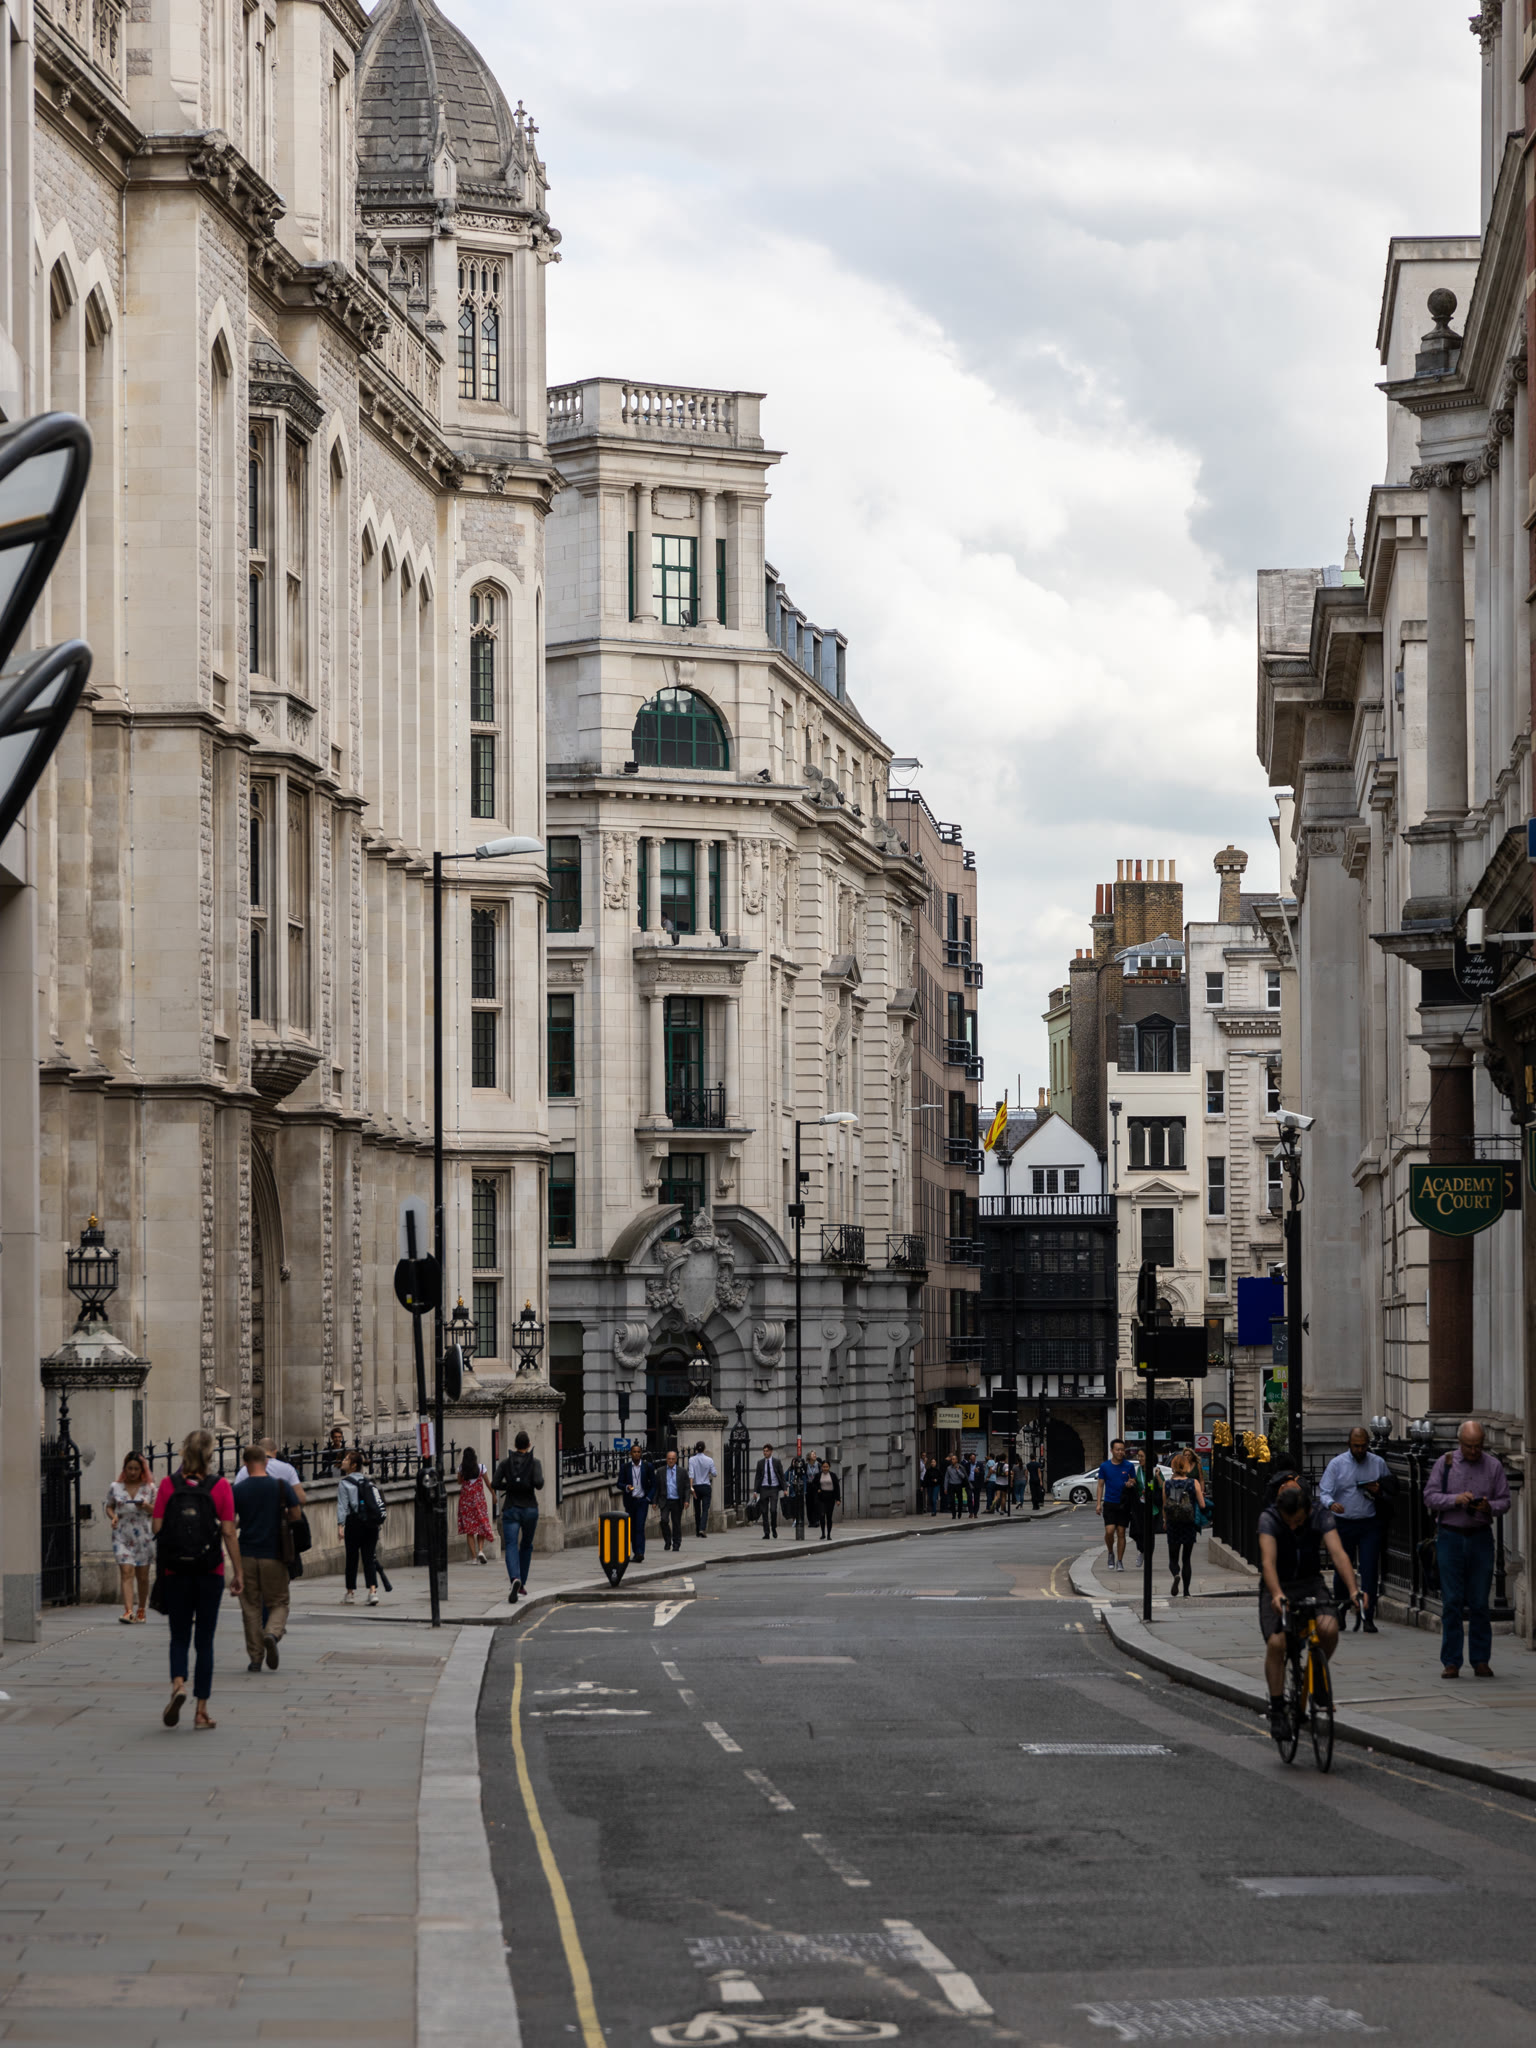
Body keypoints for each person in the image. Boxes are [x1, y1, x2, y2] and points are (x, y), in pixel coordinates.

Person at [1258, 1473, 1362, 1741]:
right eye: (1288, 1522)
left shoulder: (1320, 1516)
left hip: (1310, 1584)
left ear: (1307, 1511)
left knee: (1329, 1629)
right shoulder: (1269, 1519)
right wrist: (1277, 1594)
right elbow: (1268, 1562)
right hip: (1278, 1586)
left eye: (1298, 1521)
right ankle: (1278, 1709)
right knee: (1277, 1643)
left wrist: (1353, 1590)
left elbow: (1339, 1554)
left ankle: (1317, 1679)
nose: (1293, 1527)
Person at [151, 1429, 241, 1732]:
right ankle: (201, 1711)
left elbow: (157, 1527)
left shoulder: (168, 1485)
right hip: (209, 1572)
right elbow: (228, 1532)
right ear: (210, 1455)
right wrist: (238, 1572)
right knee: (205, 1641)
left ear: (183, 1452)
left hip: (175, 1571)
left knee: (178, 1636)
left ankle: (178, 1684)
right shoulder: (221, 1486)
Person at [1424, 1419, 1511, 1679]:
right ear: (1460, 1442)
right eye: (1469, 1446)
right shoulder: (1446, 1463)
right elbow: (1429, 1496)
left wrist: (1489, 1507)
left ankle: (1480, 1660)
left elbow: (1505, 1501)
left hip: (1480, 1537)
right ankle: (1451, 1661)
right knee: (1452, 1601)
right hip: (1450, 1536)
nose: (1474, 1451)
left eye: (1478, 1446)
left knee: (1479, 1601)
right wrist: (1455, 1500)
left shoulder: (1493, 1466)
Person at [232, 1445, 300, 1673]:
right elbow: (296, 1514)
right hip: (274, 1554)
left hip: (247, 1554)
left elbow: (230, 1522)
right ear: (266, 1462)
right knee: (279, 1602)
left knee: (251, 1607)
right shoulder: (280, 1486)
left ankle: (255, 1658)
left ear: (245, 1464)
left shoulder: (238, 1490)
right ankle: (272, 1633)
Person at [1319, 1427, 1390, 1632]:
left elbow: (1389, 1488)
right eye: (1356, 1446)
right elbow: (1324, 1491)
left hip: (1369, 1523)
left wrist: (1379, 1489)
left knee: (1369, 1570)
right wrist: (1331, 1504)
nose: (1360, 1450)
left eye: (1363, 1446)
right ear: (1349, 1445)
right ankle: (1341, 1611)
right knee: (1342, 1569)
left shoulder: (1378, 1463)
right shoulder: (1337, 1464)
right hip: (1344, 1523)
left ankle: (1368, 1616)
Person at [106, 1451, 157, 1623]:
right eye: (129, 1468)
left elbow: (158, 1510)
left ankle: (141, 1609)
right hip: (122, 1533)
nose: (133, 1472)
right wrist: (113, 1516)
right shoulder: (115, 1487)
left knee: (142, 1576)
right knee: (126, 1571)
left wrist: (146, 1506)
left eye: (136, 1468)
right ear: (124, 1469)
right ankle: (128, 1611)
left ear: (142, 1470)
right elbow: (109, 1506)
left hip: (144, 1536)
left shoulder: (149, 1488)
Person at [495, 1431, 544, 1600]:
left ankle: (514, 1577)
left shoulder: (505, 1463)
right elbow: (539, 1484)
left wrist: (510, 1486)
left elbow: (495, 1483)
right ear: (529, 1445)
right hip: (530, 1509)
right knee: (526, 1545)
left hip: (511, 1508)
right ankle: (522, 1584)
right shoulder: (535, 1462)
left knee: (511, 1545)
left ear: (515, 1445)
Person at [336, 1449, 383, 1606]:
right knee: (369, 1557)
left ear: (353, 1465)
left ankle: (350, 1593)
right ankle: (373, 1592)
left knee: (352, 1558)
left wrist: (340, 1525)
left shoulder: (344, 1483)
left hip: (354, 1522)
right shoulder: (368, 1481)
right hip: (371, 1523)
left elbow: (343, 1506)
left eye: (346, 1459)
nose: (343, 1461)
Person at [1163, 1449, 1204, 1598]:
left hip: (1173, 1523)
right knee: (1186, 1559)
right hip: (1188, 1523)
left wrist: (1165, 1521)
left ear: (1173, 1466)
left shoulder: (1167, 1484)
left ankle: (1176, 1574)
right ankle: (1186, 1592)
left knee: (1173, 1558)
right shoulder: (1194, 1483)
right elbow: (1202, 1504)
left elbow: (1165, 1506)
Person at [1095, 1439, 1137, 1571]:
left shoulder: (1129, 1466)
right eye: (1117, 1449)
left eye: (1122, 1449)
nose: (1120, 1452)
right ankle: (1110, 1552)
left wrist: (1131, 1483)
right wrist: (1098, 1504)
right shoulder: (1104, 1466)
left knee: (1121, 1532)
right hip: (1109, 1502)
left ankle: (1119, 1561)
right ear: (1111, 1450)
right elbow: (1100, 1485)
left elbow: (1133, 1480)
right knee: (1109, 1531)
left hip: (1124, 1503)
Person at [456, 1446, 494, 1564]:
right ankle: (481, 1550)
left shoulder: (461, 1469)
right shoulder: (481, 1468)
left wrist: (463, 1474)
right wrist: (494, 1495)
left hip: (466, 1501)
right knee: (481, 1525)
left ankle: (473, 1558)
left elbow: (459, 1482)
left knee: (470, 1530)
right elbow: (488, 1483)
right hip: (479, 1501)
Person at [621, 1440, 655, 1561]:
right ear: (631, 1453)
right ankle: (635, 1552)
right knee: (631, 1528)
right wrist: (626, 1487)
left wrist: (648, 1498)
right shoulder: (625, 1467)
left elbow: (654, 1484)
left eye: (638, 1452)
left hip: (642, 1501)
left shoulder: (647, 1466)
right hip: (630, 1502)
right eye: (634, 1452)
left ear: (641, 1453)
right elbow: (619, 1483)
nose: (636, 1454)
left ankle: (640, 1553)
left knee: (640, 1527)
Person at [657, 1449, 690, 1552]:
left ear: (676, 1460)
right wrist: (654, 1502)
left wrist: (686, 1500)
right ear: (666, 1460)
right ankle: (667, 1540)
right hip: (665, 1500)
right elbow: (657, 1488)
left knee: (676, 1523)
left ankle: (676, 1544)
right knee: (664, 1520)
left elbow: (687, 1487)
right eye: (669, 1459)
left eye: (673, 1459)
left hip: (677, 1501)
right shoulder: (660, 1471)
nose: (671, 1461)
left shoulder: (682, 1471)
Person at [753, 1444, 784, 1540]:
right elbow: (757, 1477)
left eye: (766, 1451)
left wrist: (785, 1489)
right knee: (764, 1511)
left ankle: (773, 1527)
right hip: (764, 1488)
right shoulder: (760, 1463)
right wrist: (755, 1491)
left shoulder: (777, 1462)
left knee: (773, 1510)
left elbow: (782, 1475)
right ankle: (766, 1532)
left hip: (774, 1488)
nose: (765, 1453)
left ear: (771, 1451)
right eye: (764, 1451)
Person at [688, 1440, 716, 1537]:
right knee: (705, 1509)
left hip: (696, 1486)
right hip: (706, 1486)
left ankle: (697, 1530)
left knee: (697, 1509)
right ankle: (702, 1528)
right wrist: (708, 1471)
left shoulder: (691, 1460)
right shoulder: (709, 1460)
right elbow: (714, 1473)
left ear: (696, 1449)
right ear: (704, 1449)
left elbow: (691, 1474)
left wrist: (691, 1487)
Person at [814, 1458, 841, 1539]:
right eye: (824, 1467)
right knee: (822, 1515)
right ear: (821, 1467)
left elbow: (837, 1487)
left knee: (829, 1516)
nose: (825, 1468)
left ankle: (829, 1534)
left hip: (830, 1497)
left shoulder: (833, 1475)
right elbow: (814, 1484)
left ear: (829, 1467)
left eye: (826, 1467)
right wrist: (818, 1489)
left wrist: (838, 1499)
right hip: (821, 1497)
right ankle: (823, 1533)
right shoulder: (818, 1475)